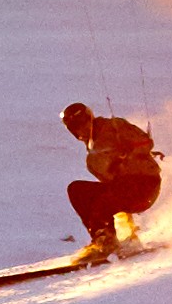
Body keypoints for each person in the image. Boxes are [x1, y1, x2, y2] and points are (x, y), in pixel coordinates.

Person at [61, 102, 162, 268]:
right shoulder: (93, 156)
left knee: (105, 200)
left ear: (90, 119)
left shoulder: (113, 127)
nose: (81, 130)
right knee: (77, 190)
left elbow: (145, 142)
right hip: (126, 189)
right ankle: (107, 238)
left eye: (82, 124)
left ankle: (106, 243)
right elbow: (113, 191)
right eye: (75, 128)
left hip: (145, 183)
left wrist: (128, 151)